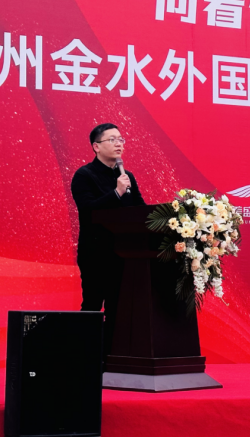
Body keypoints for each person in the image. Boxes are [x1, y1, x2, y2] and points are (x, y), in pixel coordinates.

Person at [71, 123, 145, 349]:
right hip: (95, 253)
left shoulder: (126, 175)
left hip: (123, 254)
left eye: (121, 139)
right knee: (92, 304)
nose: (118, 144)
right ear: (96, 146)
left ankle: (112, 357)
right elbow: (89, 210)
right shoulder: (84, 175)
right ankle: (85, 356)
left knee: (118, 307)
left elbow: (140, 210)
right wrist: (117, 192)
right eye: (112, 140)